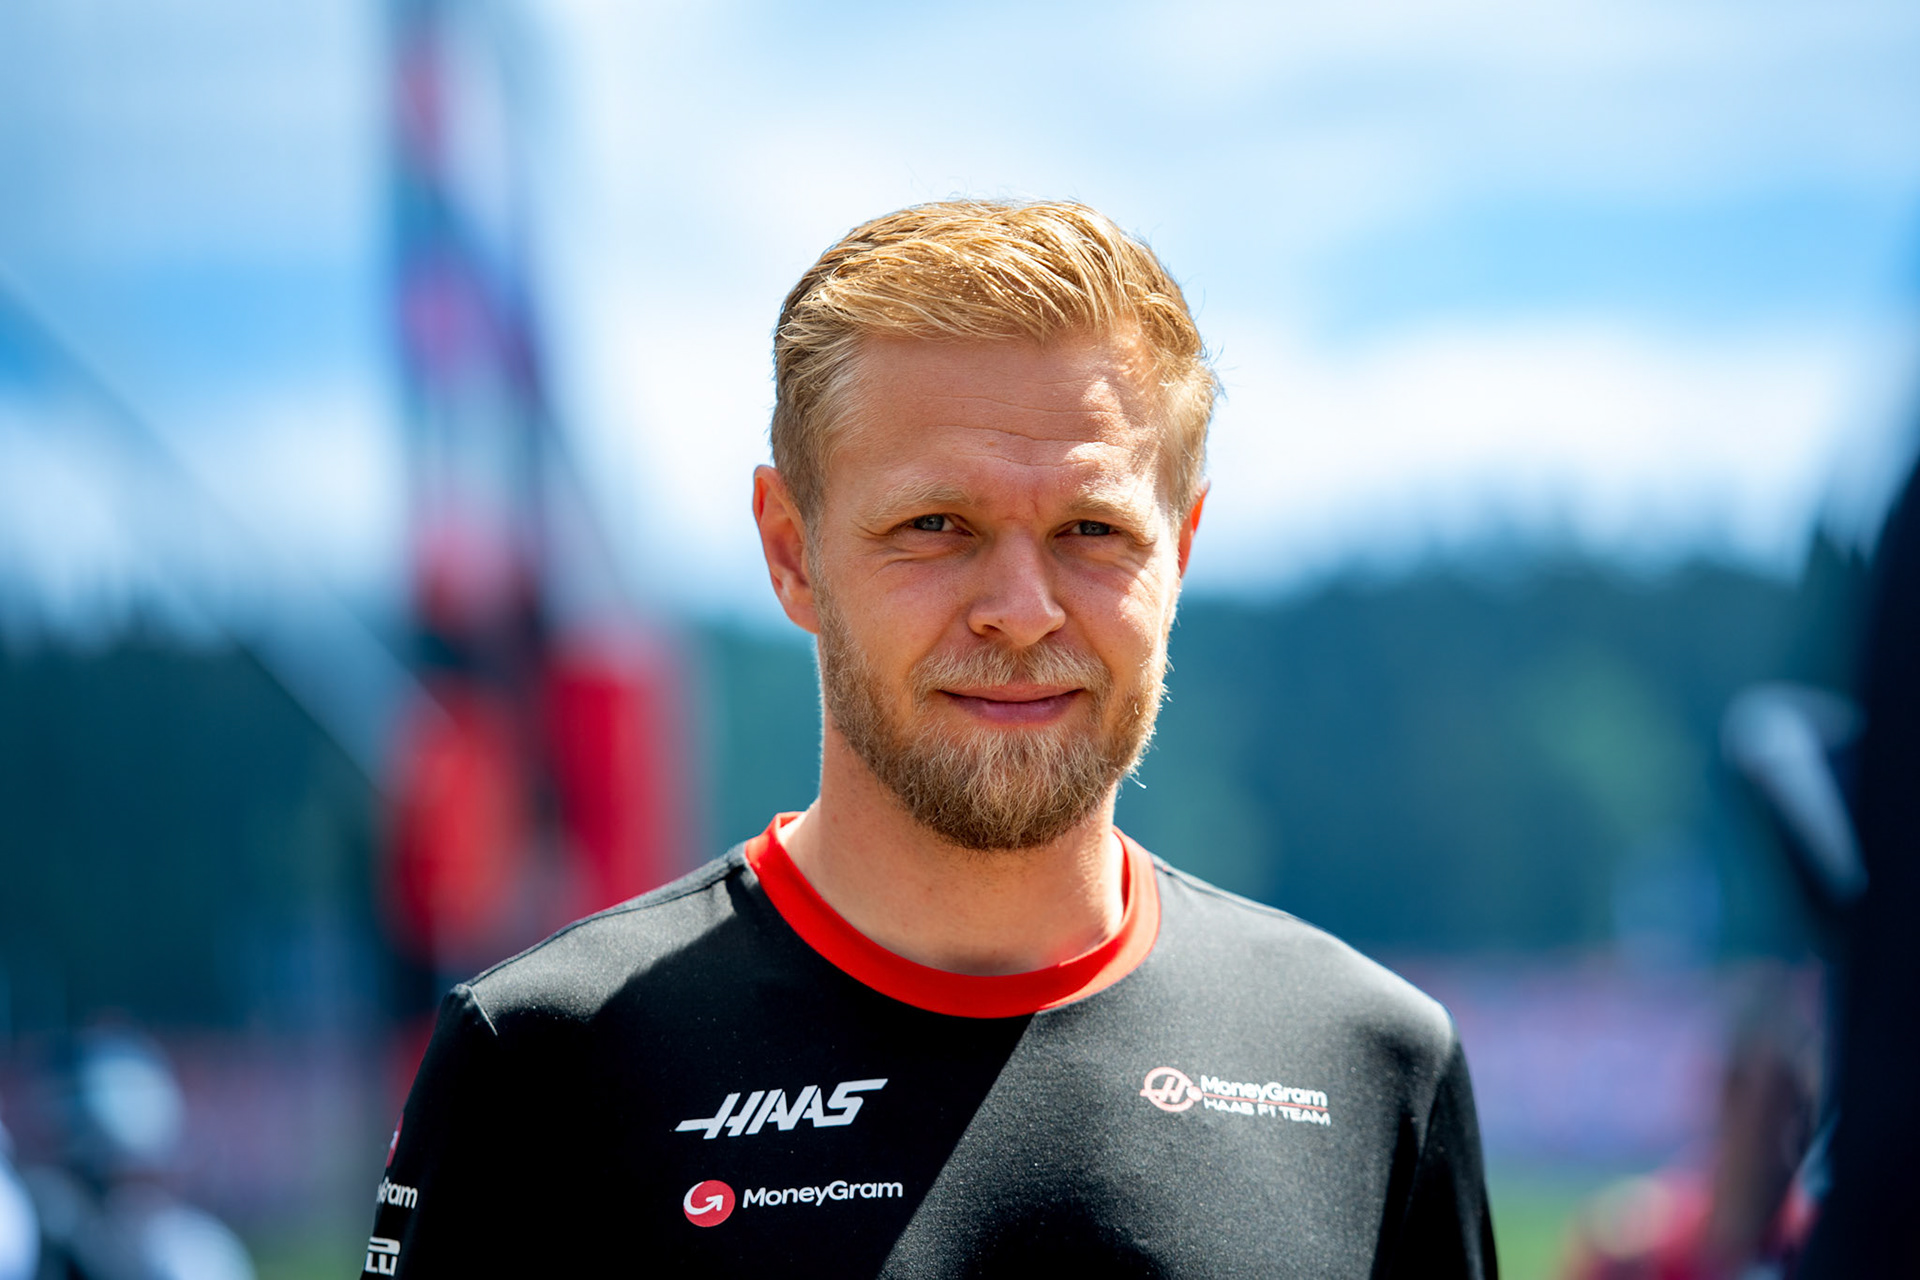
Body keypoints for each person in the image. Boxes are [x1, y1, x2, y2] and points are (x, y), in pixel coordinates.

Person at [362, 200, 1497, 1277]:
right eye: (936, 526)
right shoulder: (547, 1063)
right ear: (792, 550)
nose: (1021, 606)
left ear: (1183, 548)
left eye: (1092, 529)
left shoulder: (1371, 1061)